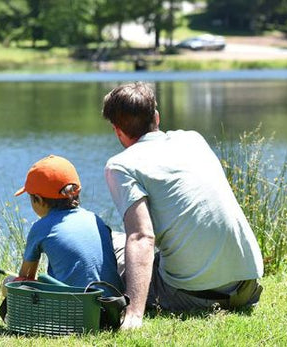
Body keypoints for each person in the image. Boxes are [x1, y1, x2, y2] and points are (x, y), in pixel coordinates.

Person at [101, 82, 264, 329]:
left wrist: (134, 313)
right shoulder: (193, 140)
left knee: (108, 245)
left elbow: (142, 237)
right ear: (156, 117)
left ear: (117, 131)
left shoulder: (121, 165)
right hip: (247, 287)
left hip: (193, 297)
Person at [10, 154, 123, 292]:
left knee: (9, 284)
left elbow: (26, 278)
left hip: (74, 308)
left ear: (38, 199)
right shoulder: (95, 219)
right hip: (112, 304)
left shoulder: (41, 228)